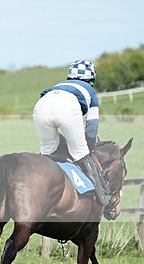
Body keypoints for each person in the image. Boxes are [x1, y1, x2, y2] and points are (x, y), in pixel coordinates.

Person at [33, 59, 110, 205]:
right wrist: (90, 147)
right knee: (81, 152)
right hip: (66, 107)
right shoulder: (89, 90)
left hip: (41, 106)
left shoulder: (60, 85)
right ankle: (102, 198)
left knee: (48, 152)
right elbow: (92, 127)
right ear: (91, 79)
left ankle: (39, 192)